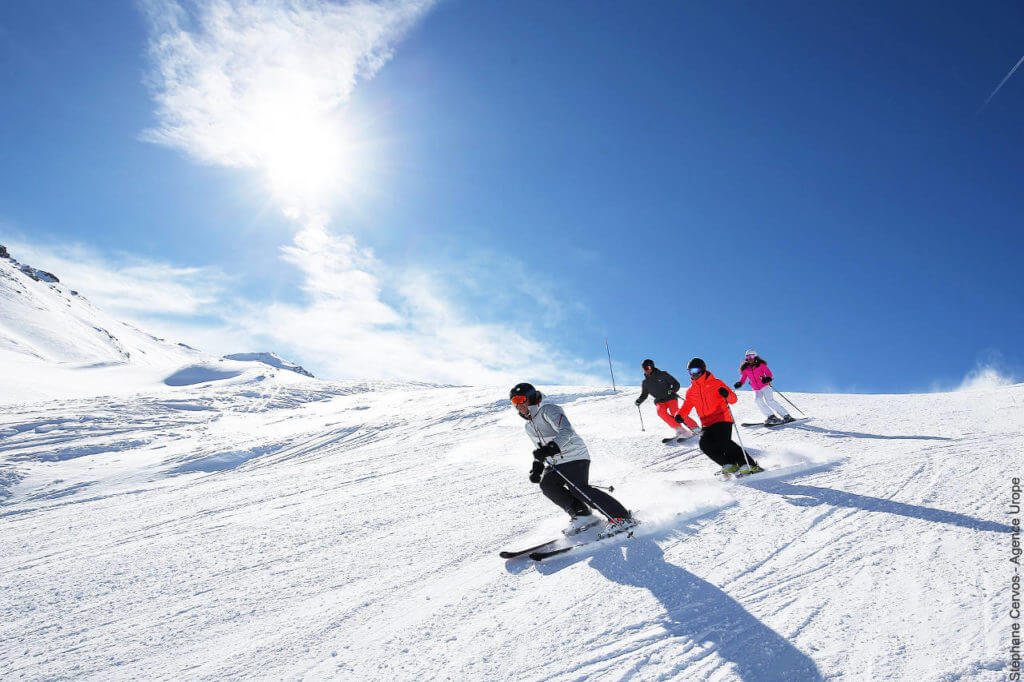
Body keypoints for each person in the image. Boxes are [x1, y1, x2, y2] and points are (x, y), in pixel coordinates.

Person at [510, 382, 635, 535]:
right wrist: (538, 466)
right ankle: (582, 515)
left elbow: (567, 431)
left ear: (530, 398)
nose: (518, 405)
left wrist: (551, 448)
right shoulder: (529, 426)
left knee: (579, 489)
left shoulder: (548, 410)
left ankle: (621, 517)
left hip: (574, 455)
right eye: (514, 402)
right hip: (556, 461)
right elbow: (540, 450)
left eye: (521, 399)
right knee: (548, 485)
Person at [673, 358, 762, 476]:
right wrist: (680, 415)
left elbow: (733, 399)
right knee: (704, 444)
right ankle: (729, 465)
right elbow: (687, 405)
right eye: (690, 371)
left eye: (695, 370)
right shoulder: (691, 391)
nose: (693, 373)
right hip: (706, 423)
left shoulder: (716, 383)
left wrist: (727, 393)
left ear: (703, 370)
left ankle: (749, 464)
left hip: (722, 418)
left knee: (723, 441)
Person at [635, 359, 696, 443]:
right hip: (659, 400)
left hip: (670, 397)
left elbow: (676, 384)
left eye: (648, 367)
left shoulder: (663, 374)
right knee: (661, 412)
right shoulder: (646, 382)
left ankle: (695, 428)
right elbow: (644, 394)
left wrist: (672, 390)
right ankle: (680, 429)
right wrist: (639, 401)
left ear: (652, 367)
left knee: (675, 412)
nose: (646, 370)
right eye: (644, 368)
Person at [733, 349, 794, 426]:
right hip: (756, 388)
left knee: (770, 401)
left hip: (765, 386)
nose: (750, 358)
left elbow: (769, 374)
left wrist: (767, 378)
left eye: (752, 356)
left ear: (755, 356)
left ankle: (786, 416)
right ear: (746, 358)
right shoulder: (745, 369)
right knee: (757, 400)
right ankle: (771, 417)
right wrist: (739, 383)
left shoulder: (761, 365)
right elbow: (743, 378)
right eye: (748, 356)